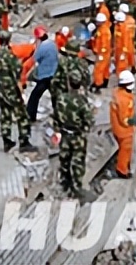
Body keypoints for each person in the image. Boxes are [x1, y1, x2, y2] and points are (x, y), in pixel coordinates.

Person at [0, 31, 35, 152]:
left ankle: (7, 141)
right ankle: (24, 141)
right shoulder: (10, 56)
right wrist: (20, 90)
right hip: (11, 89)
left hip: (0, 89)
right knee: (22, 115)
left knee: (5, 114)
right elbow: (17, 73)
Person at [56, 68, 95, 198]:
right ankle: (76, 188)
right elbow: (89, 121)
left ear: (68, 83)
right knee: (77, 163)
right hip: (78, 136)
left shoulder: (61, 98)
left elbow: (56, 116)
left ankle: (65, 183)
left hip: (65, 134)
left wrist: (58, 129)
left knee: (64, 159)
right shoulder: (82, 102)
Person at [26, 26, 59, 122]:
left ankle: (31, 116)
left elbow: (34, 60)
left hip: (44, 76)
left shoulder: (41, 48)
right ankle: (58, 115)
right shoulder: (53, 44)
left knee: (34, 96)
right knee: (55, 96)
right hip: (54, 74)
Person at [110, 70, 136, 179]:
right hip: (124, 131)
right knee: (125, 150)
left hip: (116, 126)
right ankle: (122, 170)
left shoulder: (117, 93)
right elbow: (125, 120)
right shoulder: (125, 100)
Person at [91, 13, 112, 92]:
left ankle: (98, 84)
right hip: (105, 53)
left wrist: (101, 54)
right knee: (105, 68)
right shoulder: (103, 29)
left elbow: (104, 44)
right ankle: (105, 81)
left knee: (98, 69)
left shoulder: (104, 31)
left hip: (103, 53)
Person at [113, 11, 135, 76]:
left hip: (122, 49)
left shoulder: (124, 29)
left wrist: (124, 52)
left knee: (122, 63)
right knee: (118, 61)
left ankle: (121, 75)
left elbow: (125, 40)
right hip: (118, 48)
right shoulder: (117, 26)